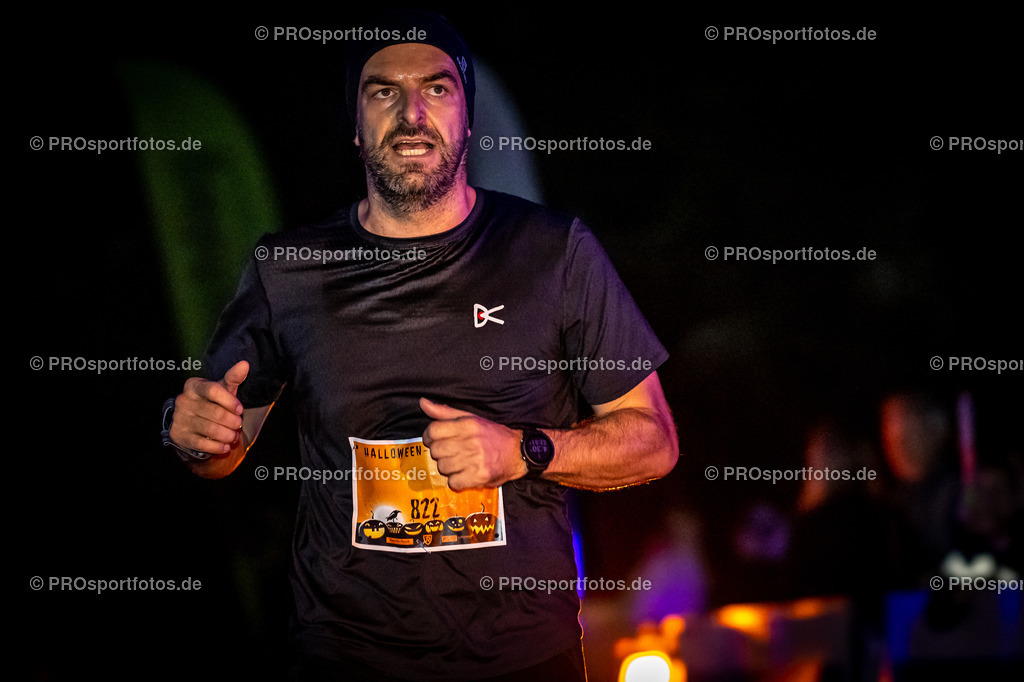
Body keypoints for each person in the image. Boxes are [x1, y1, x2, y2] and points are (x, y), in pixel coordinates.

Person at [161, 10, 678, 681]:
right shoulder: (287, 268)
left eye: (436, 89)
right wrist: (190, 434)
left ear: (466, 119)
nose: (411, 113)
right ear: (355, 124)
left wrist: (522, 452)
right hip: (344, 654)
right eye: (383, 92)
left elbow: (654, 441)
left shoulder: (553, 252)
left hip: (522, 658)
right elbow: (218, 447)